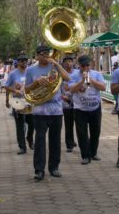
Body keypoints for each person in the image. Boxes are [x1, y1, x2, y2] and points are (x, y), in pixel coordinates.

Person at [25, 44, 71, 181]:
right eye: (43, 54)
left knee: (55, 141)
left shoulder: (55, 67)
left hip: (56, 110)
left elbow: (67, 78)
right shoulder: (31, 70)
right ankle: (39, 170)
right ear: (37, 56)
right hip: (39, 111)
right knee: (39, 141)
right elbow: (26, 90)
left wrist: (56, 63)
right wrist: (36, 83)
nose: (46, 56)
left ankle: (54, 167)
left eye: (47, 53)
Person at [68, 55, 106, 165]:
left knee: (95, 131)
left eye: (87, 65)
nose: (85, 68)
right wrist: (82, 81)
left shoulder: (97, 74)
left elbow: (103, 87)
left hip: (95, 108)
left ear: (91, 64)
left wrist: (91, 80)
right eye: (83, 66)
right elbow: (72, 89)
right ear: (79, 65)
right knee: (82, 133)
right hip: (80, 108)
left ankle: (93, 153)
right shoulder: (74, 75)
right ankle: (85, 155)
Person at [5, 54, 34, 154]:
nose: (24, 62)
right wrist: (14, 90)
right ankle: (22, 147)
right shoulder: (13, 74)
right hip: (18, 102)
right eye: (22, 61)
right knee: (20, 125)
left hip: (30, 101)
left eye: (25, 61)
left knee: (32, 123)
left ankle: (30, 138)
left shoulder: (31, 72)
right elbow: (6, 86)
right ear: (18, 62)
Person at [60, 55, 77, 153]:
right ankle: (69, 144)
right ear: (63, 63)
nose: (68, 63)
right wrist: (62, 96)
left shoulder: (77, 73)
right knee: (68, 124)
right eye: (66, 61)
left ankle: (79, 141)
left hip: (78, 102)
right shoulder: (62, 74)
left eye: (70, 61)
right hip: (66, 103)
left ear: (73, 62)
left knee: (79, 125)